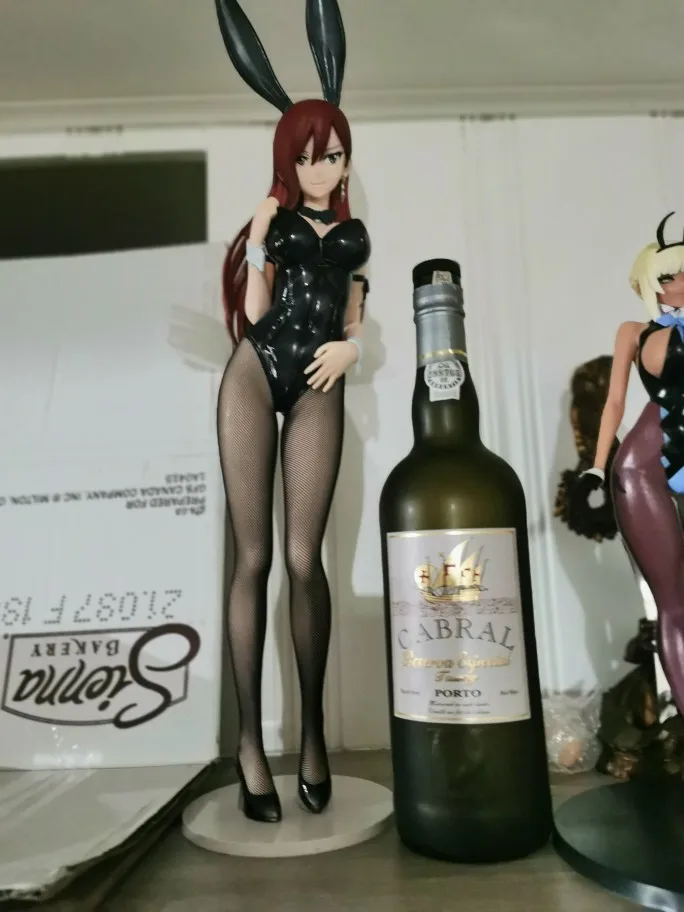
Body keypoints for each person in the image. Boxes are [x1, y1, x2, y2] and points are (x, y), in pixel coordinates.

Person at [213, 0, 371, 823]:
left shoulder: (352, 230)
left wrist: (354, 349)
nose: (322, 169)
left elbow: (355, 314)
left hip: (319, 376)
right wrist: (257, 237)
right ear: (288, 160)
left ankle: (311, 736)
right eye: (308, 158)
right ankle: (251, 743)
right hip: (258, 367)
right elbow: (254, 309)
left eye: (332, 155)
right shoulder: (275, 218)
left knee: (306, 559)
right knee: (254, 557)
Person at [570, 212, 684, 718]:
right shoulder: (634, 332)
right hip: (642, 469)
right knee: (674, 602)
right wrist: (596, 467)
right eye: (669, 276)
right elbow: (614, 403)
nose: (680, 282)